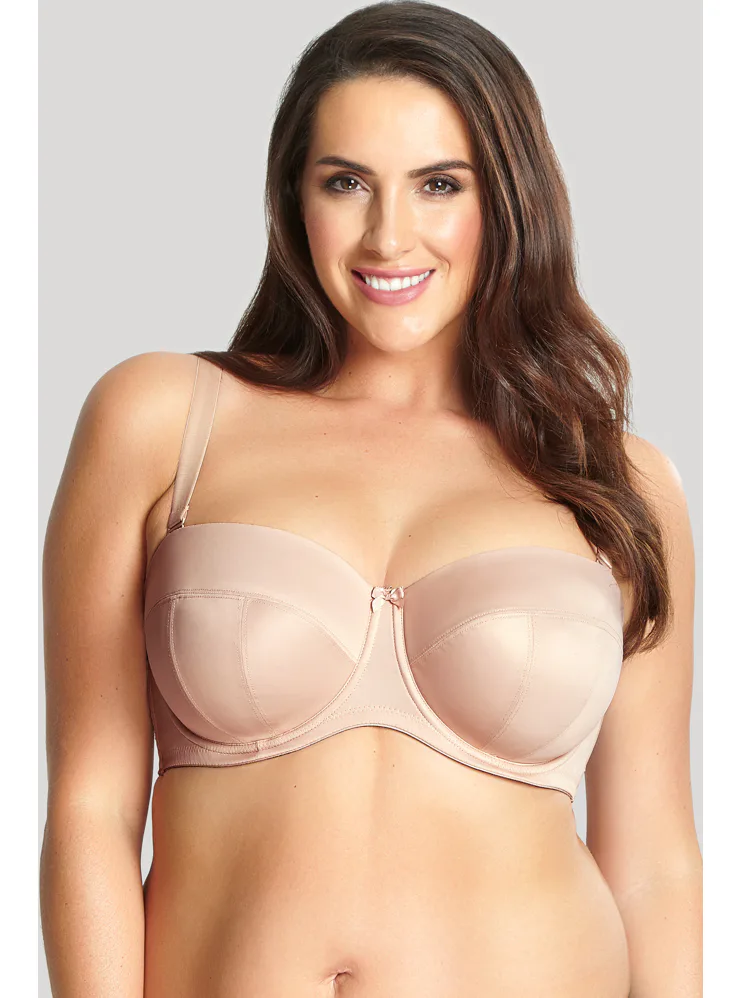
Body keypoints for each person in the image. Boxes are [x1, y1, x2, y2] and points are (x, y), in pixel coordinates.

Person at [40, 2, 702, 995]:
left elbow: (653, 862)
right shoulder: (162, 421)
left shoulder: (619, 483)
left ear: (508, 199)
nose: (390, 235)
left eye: (439, 184)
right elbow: (89, 809)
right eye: (346, 182)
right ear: (293, 199)